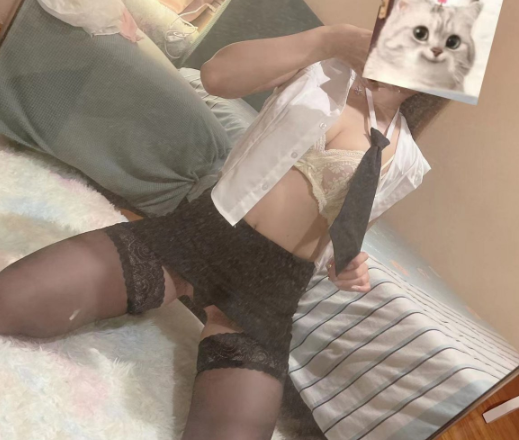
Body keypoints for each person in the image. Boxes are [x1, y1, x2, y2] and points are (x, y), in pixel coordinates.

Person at [0, 24, 446, 440]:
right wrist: (327, 39)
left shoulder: (407, 162)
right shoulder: (321, 68)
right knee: (10, 301)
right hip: (200, 234)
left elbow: (342, 236)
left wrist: (346, 267)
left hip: (271, 289)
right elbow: (216, 77)